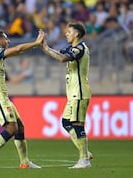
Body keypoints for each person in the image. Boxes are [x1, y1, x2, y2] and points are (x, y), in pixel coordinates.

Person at [0, 29, 45, 169]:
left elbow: (17, 51)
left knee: (20, 127)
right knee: (11, 128)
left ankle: (24, 162)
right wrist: (36, 43)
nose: (8, 41)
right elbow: (18, 49)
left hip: (2, 97)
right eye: (6, 39)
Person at [41, 22, 93, 169]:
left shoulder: (80, 49)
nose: (66, 34)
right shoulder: (72, 49)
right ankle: (85, 152)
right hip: (73, 94)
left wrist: (44, 47)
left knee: (77, 124)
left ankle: (84, 160)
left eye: (69, 31)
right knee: (66, 122)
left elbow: (62, 58)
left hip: (79, 92)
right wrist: (44, 45)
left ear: (77, 34)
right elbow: (57, 54)